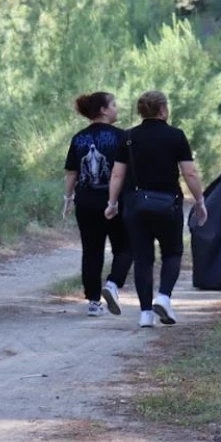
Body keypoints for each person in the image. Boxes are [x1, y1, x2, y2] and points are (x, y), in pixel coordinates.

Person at [105, 91, 208, 328]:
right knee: (172, 253)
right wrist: (200, 201)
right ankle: (163, 297)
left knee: (143, 258)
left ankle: (145, 315)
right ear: (162, 110)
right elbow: (189, 172)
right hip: (167, 204)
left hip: (135, 204)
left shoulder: (128, 137)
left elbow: (117, 173)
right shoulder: (175, 136)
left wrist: (112, 203)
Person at [64, 91, 133, 317]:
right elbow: (126, 172)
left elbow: (72, 172)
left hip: (85, 201)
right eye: (114, 104)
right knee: (125, 247)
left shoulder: (78, 138)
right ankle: (113, 284)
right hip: (115, 202)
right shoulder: (123, 137)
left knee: (91, 251)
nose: (117, 108)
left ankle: (93, 302)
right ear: (103, 110)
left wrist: (68, 198)